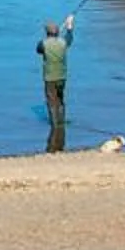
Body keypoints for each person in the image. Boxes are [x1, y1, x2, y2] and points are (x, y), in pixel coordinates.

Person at [36, 12, 76, 153]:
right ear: (58, 32)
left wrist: (52, 37)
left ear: (47, 33)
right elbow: (69, 38)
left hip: (49, 78)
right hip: (62, 76)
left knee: (51, 101)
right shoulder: (63, 43)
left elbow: (38, 50)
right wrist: (69, 26)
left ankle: (55, 126)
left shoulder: (44, 43)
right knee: (60, 99)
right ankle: (61, 123)